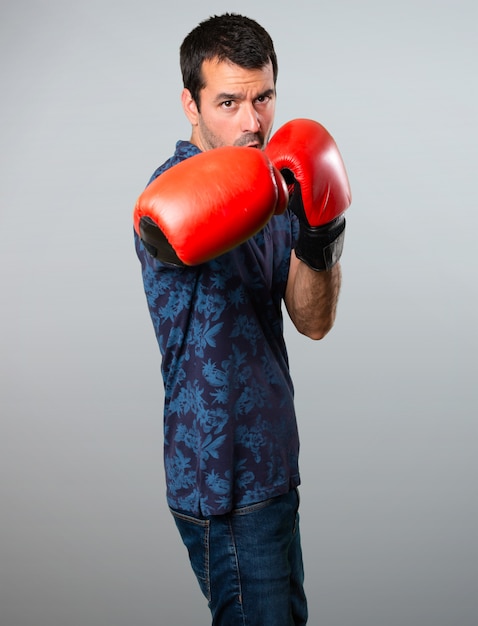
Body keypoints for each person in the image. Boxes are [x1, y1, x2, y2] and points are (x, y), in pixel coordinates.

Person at [133, 13, 351, 626]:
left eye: (264, 99)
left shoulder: (278, 187)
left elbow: (313, 320)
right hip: (221, 480)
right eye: (228, 102)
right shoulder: (172, 193)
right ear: (190, 105)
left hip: (274, 466)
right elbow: (167, 229)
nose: (252, 122)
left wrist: (321, 232)